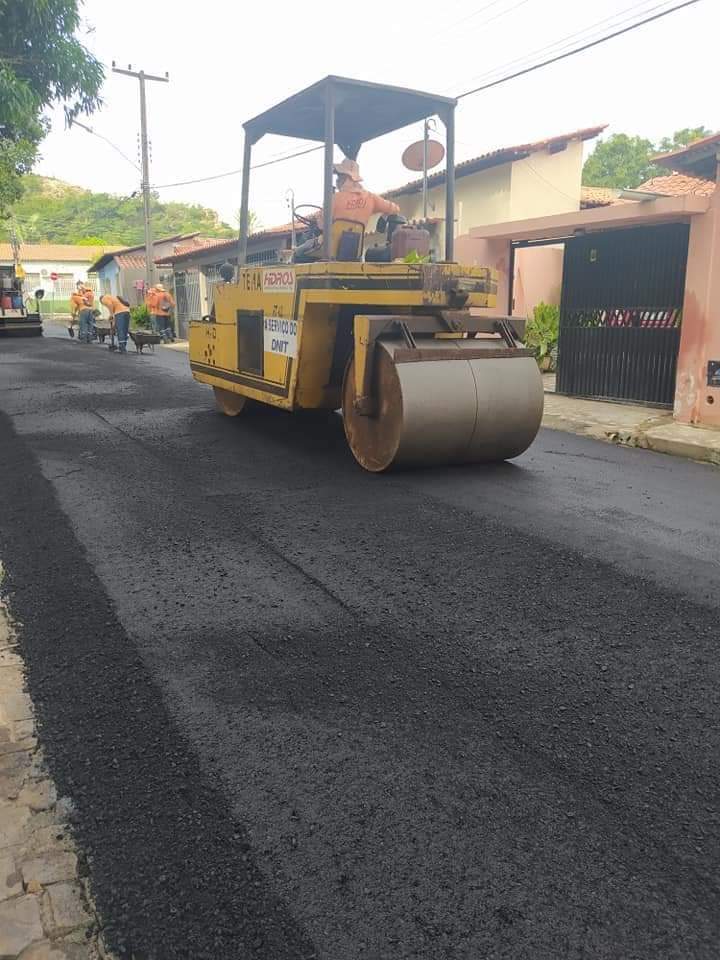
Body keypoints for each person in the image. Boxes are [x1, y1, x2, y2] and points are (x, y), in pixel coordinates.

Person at [330, 158, 400, 227]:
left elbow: (322, 224)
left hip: (332, 238)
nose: (337, 180)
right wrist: (383, 218)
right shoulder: (370, 197)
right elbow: (395, 209)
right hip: (358, 237)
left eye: (340, 176)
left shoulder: (334, 198)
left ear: (349, 178)